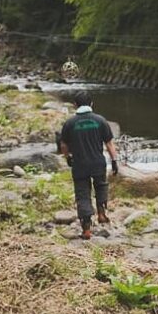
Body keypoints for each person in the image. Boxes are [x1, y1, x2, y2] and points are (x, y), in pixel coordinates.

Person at [58, 92, 118, 239]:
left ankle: (86, 229)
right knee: (101, 186)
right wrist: (114, 160)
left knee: (82, 194)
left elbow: (63, 145)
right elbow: (109, 143)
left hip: (80, 165)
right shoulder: (100, 120)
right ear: (91, 104)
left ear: (75, 105)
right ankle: (102, 213)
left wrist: (68, 158)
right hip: (98, 162)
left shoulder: (70, 123)